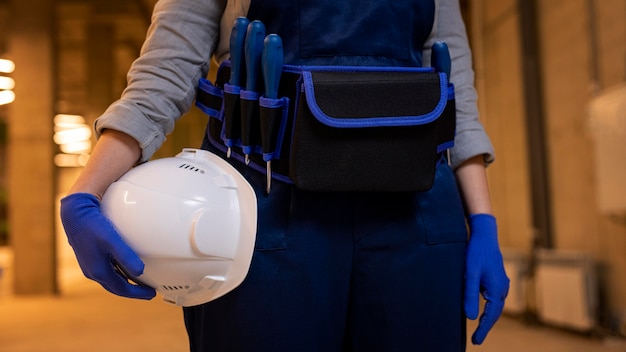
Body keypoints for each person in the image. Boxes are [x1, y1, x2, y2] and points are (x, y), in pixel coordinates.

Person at [60, 0, 510, 351]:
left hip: (417, 215)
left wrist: (483, 222)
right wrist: (86, 191)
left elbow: (456, 99)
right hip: (266, 212)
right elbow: (165, 74)